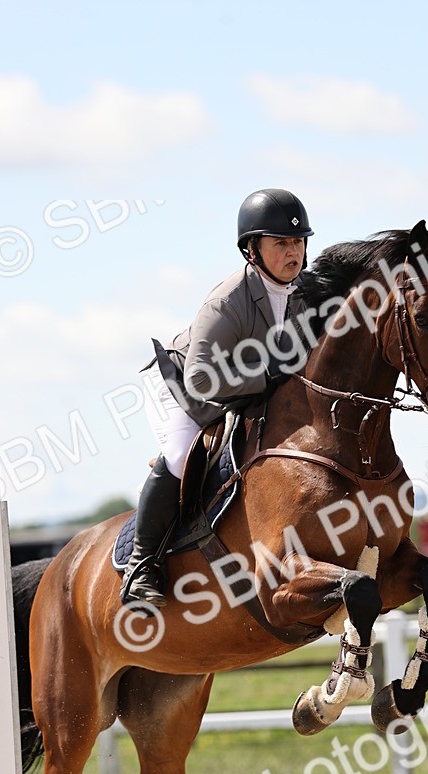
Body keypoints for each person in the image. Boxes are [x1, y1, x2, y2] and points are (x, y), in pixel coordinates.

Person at [120, 188, 314, 608]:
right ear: (252, 250)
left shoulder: (306, 295)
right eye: (280, 242)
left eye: (298, 241)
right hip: (183, 389)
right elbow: (202, 379)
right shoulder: (226, 302)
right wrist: (267, 376)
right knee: (179, 455)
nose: (292, 251)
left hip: (239, 393)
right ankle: (143, 565)